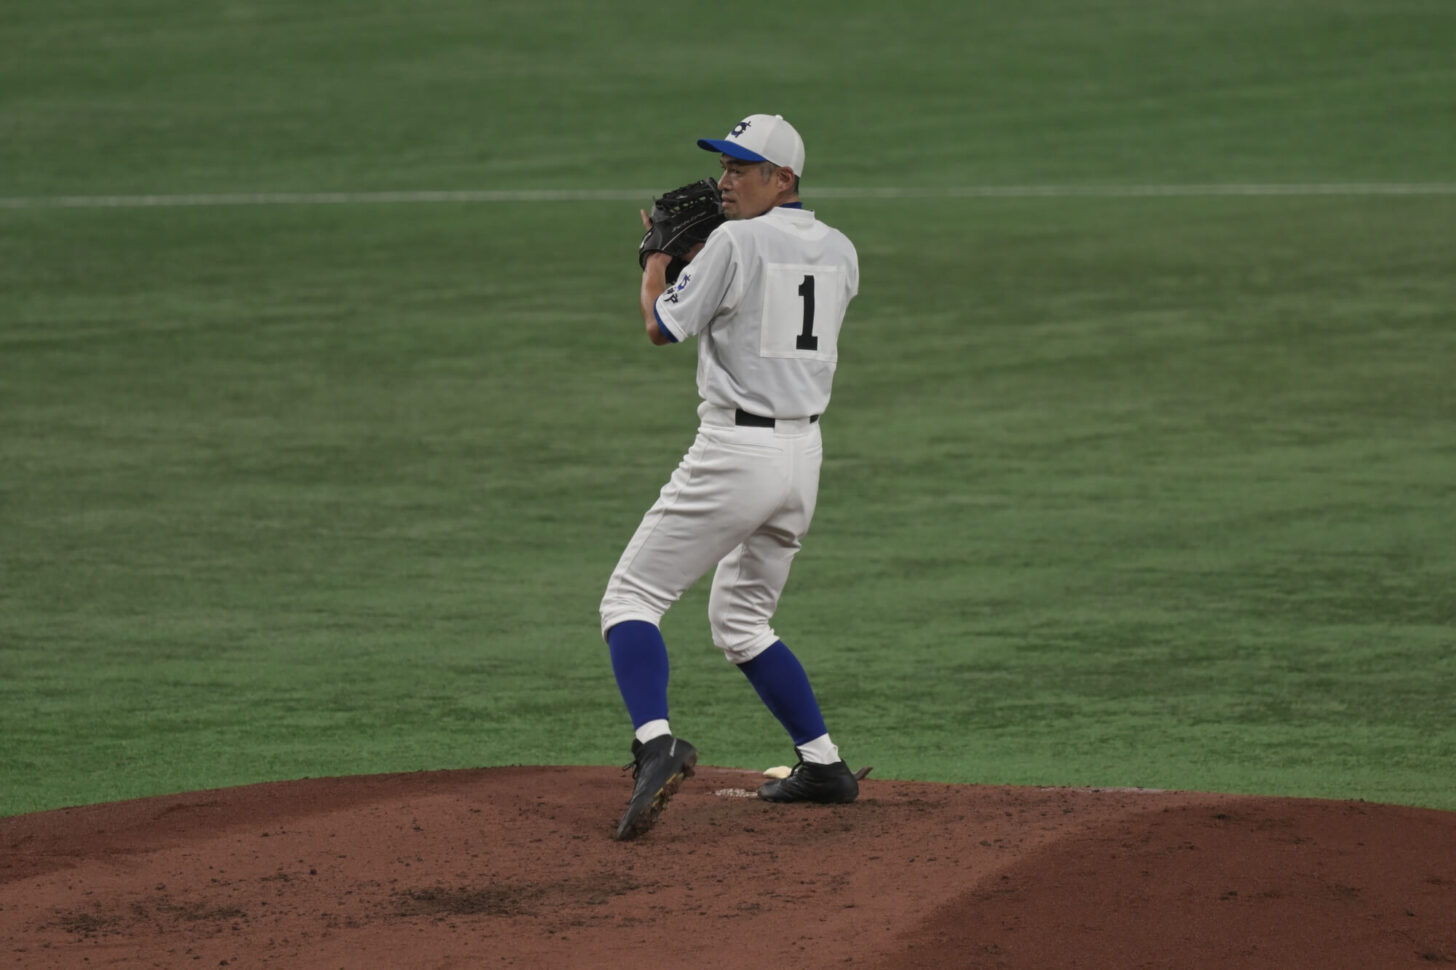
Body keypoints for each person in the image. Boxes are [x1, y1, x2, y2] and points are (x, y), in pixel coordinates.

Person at [600, 113, 862, 840]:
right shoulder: (841, 249)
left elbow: (662, 327)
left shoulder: (735, 241)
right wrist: (703, 266)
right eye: (724, 166)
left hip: (734, 454)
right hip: (802, 462)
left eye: (742, 169)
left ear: (784, 179)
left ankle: (656, 744)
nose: (724, 181)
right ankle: (824, 764)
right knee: (742, 622)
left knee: (630, 599)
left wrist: (657, 263)